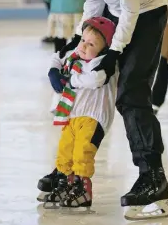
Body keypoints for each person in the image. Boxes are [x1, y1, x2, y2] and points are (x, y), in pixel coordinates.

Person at [43, 0, 168, 220]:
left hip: (146, 12)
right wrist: (78, 39)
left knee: (131, 93)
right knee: (86, 85)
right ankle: (71, 169)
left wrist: (115, 52)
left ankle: (153, 177)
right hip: (116, 13)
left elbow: (130, 5)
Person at [38, 17, 118, 209]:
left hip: (93, 117)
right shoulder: (75, 57)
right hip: (71, 116)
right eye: (83, 40)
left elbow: (95, 80)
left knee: (83, 152)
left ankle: (84, 190)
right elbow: (57, 57)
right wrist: (53, 72)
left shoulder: (101, 63)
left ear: (103, 49)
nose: (84, 46)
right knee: (65, 151)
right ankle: (66, 184)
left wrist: (71, 81)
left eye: (91, 44)